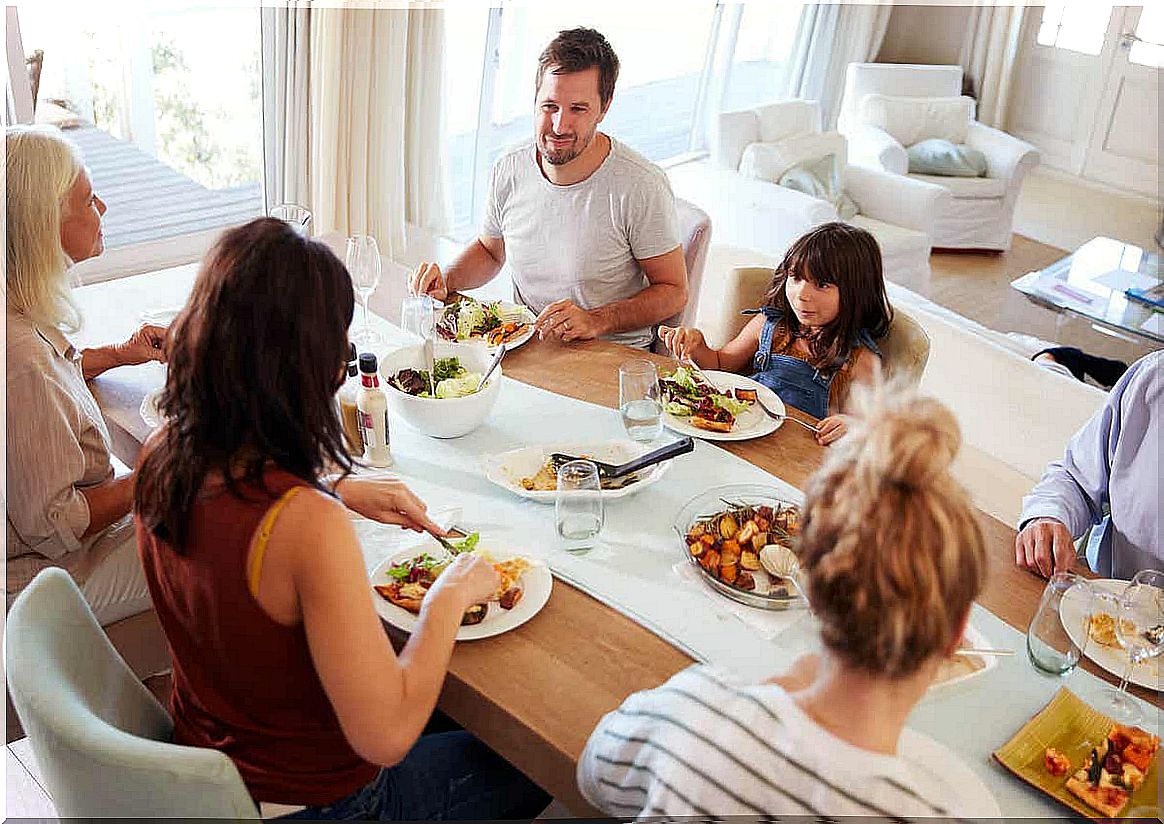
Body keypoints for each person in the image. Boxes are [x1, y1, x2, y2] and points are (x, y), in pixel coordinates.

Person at [134, 218, 548, 818]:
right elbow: (385, 737)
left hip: (214, 766)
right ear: (303, 371)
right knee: (531, 758)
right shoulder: (303, 526)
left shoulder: (161, 453)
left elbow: (237, 535)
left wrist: (338, 486)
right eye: (338, 348)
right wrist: (449, 595)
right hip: (319, 804)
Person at [577, 384, 989, 817]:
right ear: (958, 633)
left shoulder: (693, 713)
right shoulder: (946, 811)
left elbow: (595, 778)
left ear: (810, 585)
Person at [410, 27, 687, 350]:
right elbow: (489, 251)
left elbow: (673, 290)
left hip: (609, 353)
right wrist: (446, 280)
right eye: (550, 106)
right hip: (525, 345)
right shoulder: (510, 168)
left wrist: (597, 319)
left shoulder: (640, 185)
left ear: (604, 106)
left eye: (578, 109)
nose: (559, 126)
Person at [5, 124, 168, 624]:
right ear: (44, 223)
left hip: (39, 553)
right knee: (211, 535)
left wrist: (119, 354)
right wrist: (148, 477)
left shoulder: (18, 313)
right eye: (89, 199)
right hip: (44, 581)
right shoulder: (22, 361)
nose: (103, 210)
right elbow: (56, 523)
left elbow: (53, 380)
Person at [658, 222, 891, 446]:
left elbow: (871, 430)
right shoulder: (770, 324)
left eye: (821, 284)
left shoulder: (861, 360)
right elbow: (720, 364)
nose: (802, 294)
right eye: (796, 278)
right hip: (737, 434)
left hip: (793, 457)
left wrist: (851, 426)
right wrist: (698, 345)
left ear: (855, 292)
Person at [1016, 350, 1161, 579]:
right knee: (1049, 361)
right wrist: (1049, 517)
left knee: (1052, 360)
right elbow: (1076, 479)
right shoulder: (1153, 379)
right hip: (1105, 601)